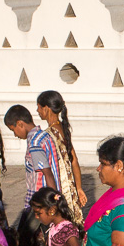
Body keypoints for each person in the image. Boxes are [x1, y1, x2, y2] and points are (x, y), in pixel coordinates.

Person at [38, 91, 88, 223]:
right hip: (70, 186)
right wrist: (78, 188)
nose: (37, 111)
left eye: (39, 107)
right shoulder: (62, 128)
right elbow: (74, 161)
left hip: (59, 185)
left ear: (46, 108)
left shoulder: (47, 135)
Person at [7, 104, 59, 211]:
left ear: (20, 124)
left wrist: (53, 203)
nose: (15, 135)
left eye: (13, 130)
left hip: (41, 201)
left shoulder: (34, 143)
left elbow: (47, 173)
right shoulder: (44, 136)